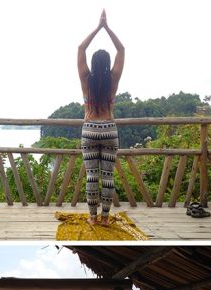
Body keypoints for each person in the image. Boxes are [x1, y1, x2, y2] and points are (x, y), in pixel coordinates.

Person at [78, 9, 124, 226]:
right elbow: (121, 49)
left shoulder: (86, 79)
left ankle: (93, 218)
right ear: (107, 65)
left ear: (93, 65)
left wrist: (97, 27)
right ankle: (105, 218)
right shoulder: (112, 80)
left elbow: (80, 48)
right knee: (107, 177)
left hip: (89, 128)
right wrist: (107, 28)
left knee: (92, 177)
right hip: (109, 128)